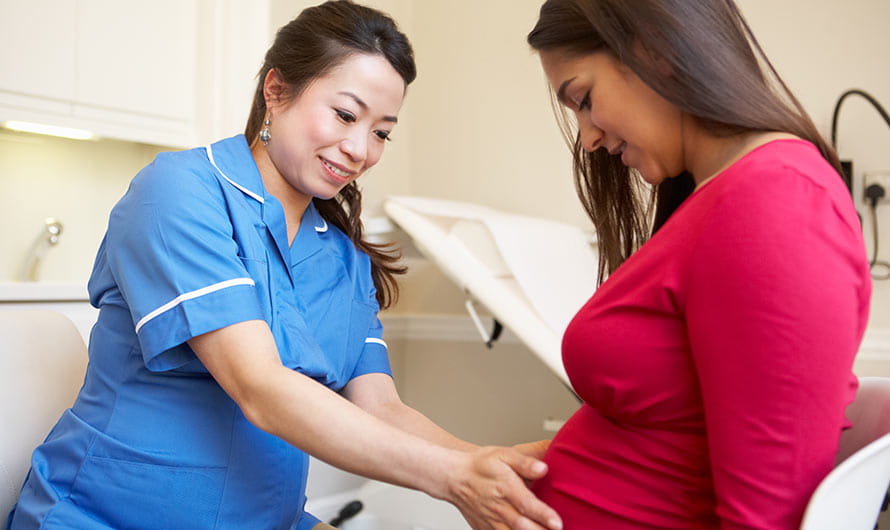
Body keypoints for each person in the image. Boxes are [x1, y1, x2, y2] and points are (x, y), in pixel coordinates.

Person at [6, 2, 563, 530]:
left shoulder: (344, 258)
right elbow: (260, 387)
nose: (360, 148)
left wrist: (488, 463)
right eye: (345, 114)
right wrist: (451, 478)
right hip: (111, 517)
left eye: (382, 132)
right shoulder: (180, 192)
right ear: (276, 90)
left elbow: (382, 409)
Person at [525, 0, 871, 528]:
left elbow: (767, 515)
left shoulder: (773, 203)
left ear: (655, 51)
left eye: (585, 99)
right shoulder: (722, 198)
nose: (589, 138)